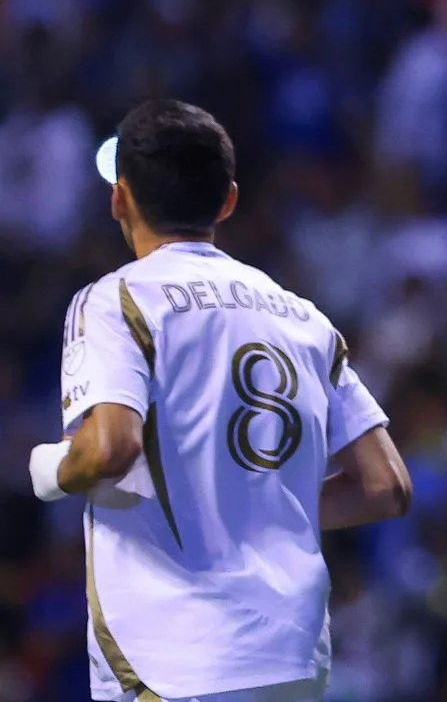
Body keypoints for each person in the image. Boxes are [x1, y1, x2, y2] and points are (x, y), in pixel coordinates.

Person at [27, 100, 412, 702]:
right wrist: (252, 505)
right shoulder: (304, 317)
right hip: (293, 656)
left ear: (119, 200)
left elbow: (108, 448)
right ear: (228, 200)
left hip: (177, 658)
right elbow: (386, 484)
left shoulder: (116, 300)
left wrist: (51, 471)